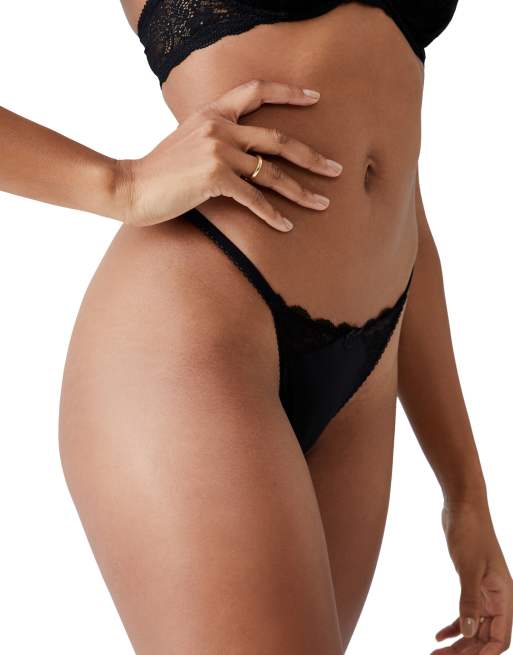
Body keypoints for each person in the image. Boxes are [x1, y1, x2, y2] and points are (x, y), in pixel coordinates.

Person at [2, 1, 511, 653]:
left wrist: (465, 494)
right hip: (199, 328)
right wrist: (120, 184)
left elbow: (400, 208)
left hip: (368, 368)